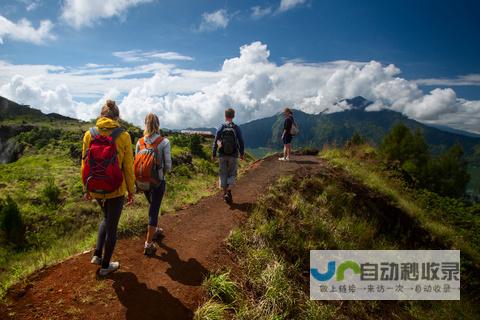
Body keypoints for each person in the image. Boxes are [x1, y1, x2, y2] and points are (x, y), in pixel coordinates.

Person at [82, 100, 135, 276]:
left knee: (106, 217)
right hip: (116, 188)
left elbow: (84, 165)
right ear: (117, 117)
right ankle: (105, 266)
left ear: (101, 115)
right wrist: (131, 191)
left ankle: (97, 255)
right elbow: (128, 167)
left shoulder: (89, 134)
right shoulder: (124, 136)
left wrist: (87, 189)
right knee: (112, 226)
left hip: (95, 186)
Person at [135, 113, 172, 256]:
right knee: (154, 210)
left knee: (152, 206)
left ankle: (155, 229)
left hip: (143, 182)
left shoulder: (139, 142)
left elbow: (136, 162)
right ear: (158, 124)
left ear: (145, 124)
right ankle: (148, 244)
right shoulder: (164, 142)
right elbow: (168, 166)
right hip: (157, 182)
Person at [212, 108, 245, 204]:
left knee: (223, 174)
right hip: (233, 155)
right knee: (232, 174)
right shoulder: (236, 128)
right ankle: (228, 192)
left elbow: (216, 141)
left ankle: (225, 193)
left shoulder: (221, 127)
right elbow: (241, 141)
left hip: (222, 154)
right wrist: (242, 153)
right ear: (233, 116)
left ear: (225, 116)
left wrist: (214, 153)